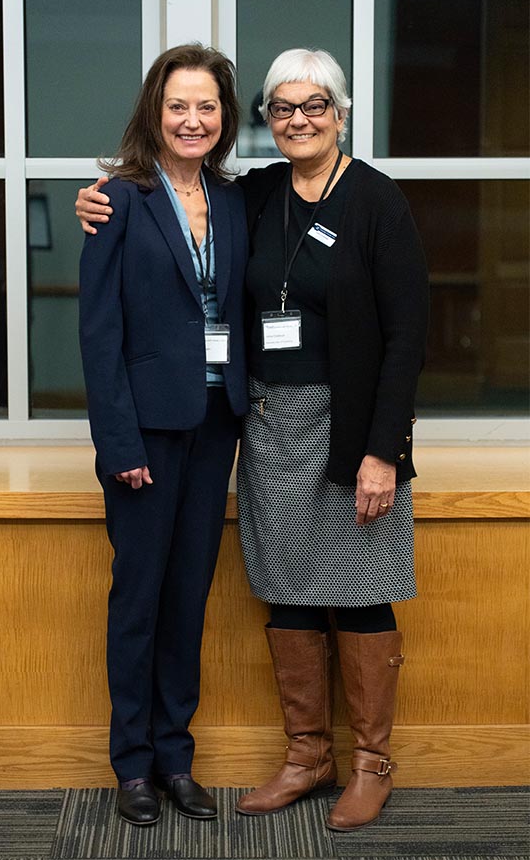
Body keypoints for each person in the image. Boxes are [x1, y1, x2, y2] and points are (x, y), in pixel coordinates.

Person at [76, 47, 428, 833]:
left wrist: (385, 447)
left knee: (307, 591)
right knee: (214, 595)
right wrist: (91, 202)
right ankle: (185, 762)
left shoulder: (328, 199)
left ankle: (336, 762)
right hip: (225, 430)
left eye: (316, 107)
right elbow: (103, 330)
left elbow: (407, 332)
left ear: (340, 113)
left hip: (296, 428)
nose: (299, 120)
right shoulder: (184, 197)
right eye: (284, 109)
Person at [78, 44, 248, 826]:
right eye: (178, 105)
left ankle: (178, 759)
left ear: (224, 117)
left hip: (216, 429)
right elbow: (98, 334)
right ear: (155, 112)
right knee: (139, 601)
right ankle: (134, 767)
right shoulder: (117, 200)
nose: (192, 119)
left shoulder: (237, 198)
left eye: (206, 106)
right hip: (144, 434)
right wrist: (118, 447)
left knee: (189, 600)